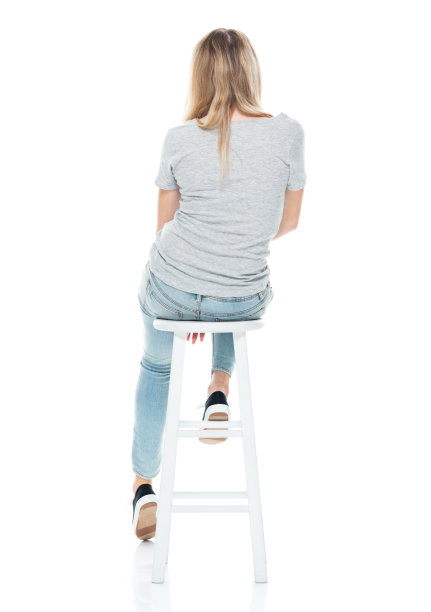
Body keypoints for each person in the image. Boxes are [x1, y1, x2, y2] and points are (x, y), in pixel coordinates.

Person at [131, 28, 306, 540]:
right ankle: (219, 387)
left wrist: (192, 296)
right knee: (234, 291)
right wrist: (226, 258)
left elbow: (164, 227)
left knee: (156, 367)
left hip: (173, 287)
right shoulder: (288, 133)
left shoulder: (179, 138)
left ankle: (143, 488)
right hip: (242, 294)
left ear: (200, 76)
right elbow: (288, 222)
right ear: (251, 71)